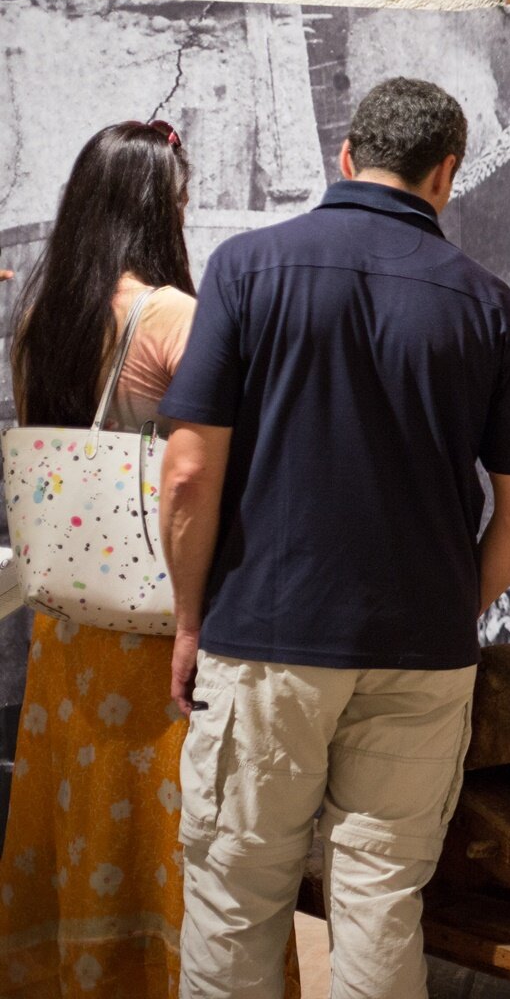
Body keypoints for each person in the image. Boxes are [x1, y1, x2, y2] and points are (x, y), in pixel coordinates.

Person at [158, 78, 510, 998]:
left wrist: (190, 621)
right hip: (421, 652)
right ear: (446, 174)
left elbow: (187, 473)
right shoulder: (491, 306)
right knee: (383, 900)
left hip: (264, 641)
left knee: (235, 897)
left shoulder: (248, 268)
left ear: (345, 157)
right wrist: (453, 605)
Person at [0, 121, 300, 996]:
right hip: (157, 624)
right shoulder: (171, 316)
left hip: (67, 625)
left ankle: (87, 974)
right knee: (179, 827)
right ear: (157, 206)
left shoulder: (40, 316)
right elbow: (219, 462)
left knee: (85, 815)